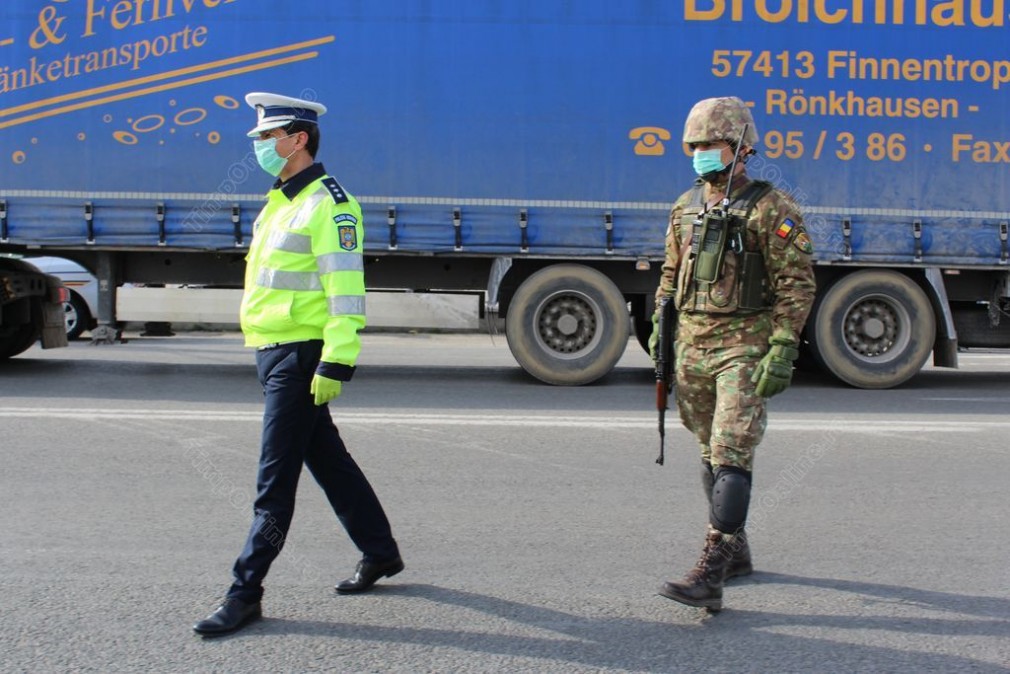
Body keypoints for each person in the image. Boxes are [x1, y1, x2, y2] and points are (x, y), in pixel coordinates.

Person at [194, 92, 403, 636]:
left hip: (302, 357)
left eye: (267, 137)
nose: (260, 146)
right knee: (329, 461)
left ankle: (245, 592)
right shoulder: (281, 200)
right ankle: (380, 552)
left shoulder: (329, 205)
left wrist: (337, 361)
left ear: (298, 139)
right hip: (272, 350)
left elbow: (346, 291)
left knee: (274, 483)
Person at [649, 96, 816, 612]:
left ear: (740, 147)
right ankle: (738, 550)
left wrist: (783, 346)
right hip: (693, 347)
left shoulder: (773, 208)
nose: (702, 153)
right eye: (695, 145)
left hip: (744, 346)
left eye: (711, 144)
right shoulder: (685, 207)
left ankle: (711, 569)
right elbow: (671, 275)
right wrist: (660, 325)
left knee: (730, 450)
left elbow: (797, 283)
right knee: (707, 451)